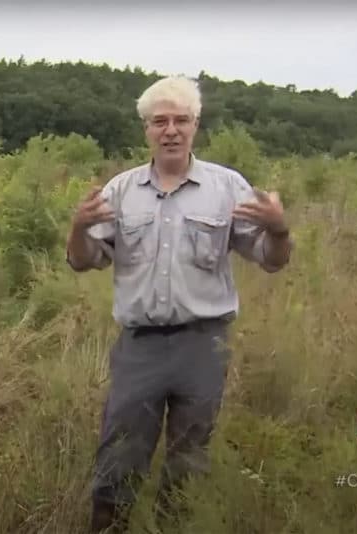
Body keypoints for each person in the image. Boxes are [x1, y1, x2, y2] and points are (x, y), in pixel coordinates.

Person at [66, 75, 294, 532]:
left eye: (181, 120)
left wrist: (279, 228)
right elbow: (82, 261)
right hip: (140, 348)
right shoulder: (121, 191)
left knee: (189, 462)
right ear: (146, 129)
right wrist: (77, 226)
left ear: (196, 125)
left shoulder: (228, 188)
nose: (170, 130)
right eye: (160, 121)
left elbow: (272, 261)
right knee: (120, 454)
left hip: (202, 348)